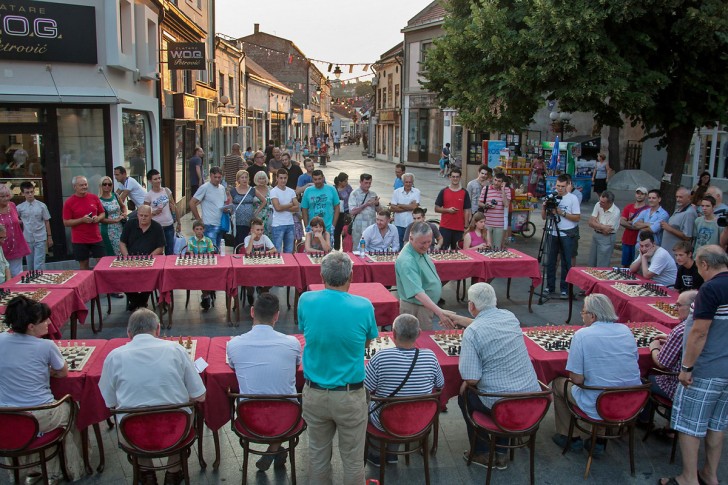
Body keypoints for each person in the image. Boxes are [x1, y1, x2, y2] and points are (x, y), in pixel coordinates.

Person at [99, 308, 206, 485]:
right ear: (158, 329)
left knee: (130, 416)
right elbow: (200, 396)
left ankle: (147, 473)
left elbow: (109, 402)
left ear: (128, 333)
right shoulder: (176, 350)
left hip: (133, 432)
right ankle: (173, 471)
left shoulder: (114, 357)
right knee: (184, 411)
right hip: (175, 430)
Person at [297, 251, 378, 485]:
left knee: (318, 457)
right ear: (351, 276)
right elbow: (366, 342)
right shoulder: (363, 306)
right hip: (349, 396)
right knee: (353, 461)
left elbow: (307, 331)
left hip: (315, 393)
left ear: (321, 275)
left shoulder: (306, 300)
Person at [449, 283, 540, 468]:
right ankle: (501, 451)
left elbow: (472, 378)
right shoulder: (510, 317)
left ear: (471, 305)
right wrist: (456, 318)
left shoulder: (473, 332)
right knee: (504, 396)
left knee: (465, 397)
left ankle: (481, 452)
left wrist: (466, 383)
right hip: (532, 400)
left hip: (498, 402)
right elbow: (486, 323)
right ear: (495, 301)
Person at [0, 295, 85, 483]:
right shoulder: (45, 346)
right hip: (41, 415)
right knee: (74, 408)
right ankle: (67, 467)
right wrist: (45, 371)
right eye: (43, 320)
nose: (49, 322)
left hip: (5, 416)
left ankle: (29, 469)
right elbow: (62, 372)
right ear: (30, 326)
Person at [664, 246, 728, 485]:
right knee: (716, 425)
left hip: (706, 369)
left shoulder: (710, 289)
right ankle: (710, 476)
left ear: (704, 265)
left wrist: (687, 368)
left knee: (690, 425)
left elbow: (699, 332)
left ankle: (688, 479)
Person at [551, 294, 641, 454]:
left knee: (559, 383)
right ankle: (599, 440)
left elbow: (577, 379)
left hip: (600, 403)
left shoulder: (582, 335)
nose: (582, 315)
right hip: (631, 401)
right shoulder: (626, 331)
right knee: (605, 385)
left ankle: (570, 437)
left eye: (583, 312)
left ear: (592, 316)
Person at [228, 292, 302, 471]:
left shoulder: (234, 344)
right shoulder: (292, 343)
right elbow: (297, 365)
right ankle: (274, 448)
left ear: (252, 312)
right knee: (283, 398)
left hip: (250, 419)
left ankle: (274, 450)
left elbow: (231, 365)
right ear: (277, 315)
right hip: (288, 418)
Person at [364, 314, 445, 466]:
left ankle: (376, 455)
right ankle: (392, 454)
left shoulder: (380, 357)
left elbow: (366, 389)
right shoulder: (430, 356)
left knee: (366, 406)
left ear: (393, 334)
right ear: (419, 333)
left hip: (385, 421)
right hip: (420, 421)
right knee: (400, 406)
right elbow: (440, 385)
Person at [638, 290, 698, 432]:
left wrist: (654, 348)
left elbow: (662, 363)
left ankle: (644, 420)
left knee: (645, 378)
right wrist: (670, 339)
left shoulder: (681, 330)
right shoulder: (705, 325)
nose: (675, 308)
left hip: (677, 385)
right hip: (697, 383)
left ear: (691, 307)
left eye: (678, 305)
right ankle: (670, 427)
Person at [395, 222, 454, 330]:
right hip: (416, 308)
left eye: (429, 241)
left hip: (424, 306)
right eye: (423, 243)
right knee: (420, 341)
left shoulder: (419, 249)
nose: (427, 246)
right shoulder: (407, 261)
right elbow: (417, 293)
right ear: (411, 238)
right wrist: (439, 312)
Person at [541, 174, 581, 299]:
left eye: (562, 186)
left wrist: (561, 213)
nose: (560, 189)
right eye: (558, 186)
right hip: (552, 232)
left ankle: (565, 288)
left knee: (566, 261)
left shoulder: (572, 198)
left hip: (567, 233)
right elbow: (544, 217)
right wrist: (544, 207)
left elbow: (577, 217)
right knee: (551, 261)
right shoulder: (551, 197)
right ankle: (549, 286)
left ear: (568, 185)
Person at [119, 205, 165, 311]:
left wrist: (148, 258)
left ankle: (139, 301)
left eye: (146, 216)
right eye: (141, 215)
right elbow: (122, 243)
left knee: (153, 277)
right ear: (137, 214)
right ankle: (137, 301)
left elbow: (160, 247)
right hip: (131, 260)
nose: (143, 218)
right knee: (120, 278)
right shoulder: (130, 224)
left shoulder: (157, 227)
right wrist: (127, 257)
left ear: (151, 216)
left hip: (150, 260)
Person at [62, 175, 106, 270]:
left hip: (95, 237)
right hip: (79, 239)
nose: (84, 187)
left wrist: (98, 218)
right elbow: (66, 222)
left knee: (102, 263)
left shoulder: (94, 198)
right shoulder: (69, 202)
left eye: (85, 184)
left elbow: (102, 213)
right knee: (84, 264)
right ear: (75, 187)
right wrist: (82, 220)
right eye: (81, 185)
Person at [144, 169, 180, 256]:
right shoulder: (149, 195)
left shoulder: (166, 191)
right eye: (155, 179)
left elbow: (174, 206)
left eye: (159, 178)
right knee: (157, 251)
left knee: (170, 250)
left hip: (169, 224)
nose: (158, 181)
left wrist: (179, 222)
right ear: (150, 181)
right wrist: (154, 212)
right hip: (156, 226)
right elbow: (145, 212)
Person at [189, 166, 227, 250]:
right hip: (209, 224)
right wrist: (198, 219)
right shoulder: (204, 187)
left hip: (220, 224)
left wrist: (226, 209)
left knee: (218, 250)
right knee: (211, 251)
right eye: (215, 177)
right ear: (210, 176)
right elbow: (192, 203)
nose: (217, 179)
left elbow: (223, 202)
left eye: (219, 177)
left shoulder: (222, 188)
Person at [17, 181, 52, 270]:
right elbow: (15, 221)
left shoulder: (42, 206)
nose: (30, 194)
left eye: (32, 192)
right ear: (22, 193)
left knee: (39, 263)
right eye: (27, 192)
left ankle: (39, 281)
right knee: (30, 263)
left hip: (40, 237)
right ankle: (32, 282)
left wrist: (49, 237)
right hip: (27, 238)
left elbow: (46, 221)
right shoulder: (20, 208)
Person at [435, 168, 471, 249]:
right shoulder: (443, 191)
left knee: (458, 253)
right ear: (449, 177)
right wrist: (447, 210)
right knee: (442, 252)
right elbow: (436, 208)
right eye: (453, 176)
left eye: (457, 177)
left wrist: (466, 227)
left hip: (459, 228)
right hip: (445, 227)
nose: (455, 179)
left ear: (460, 177)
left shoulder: (464, 192)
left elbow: (466, 211)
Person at [301, 170, 340, 245]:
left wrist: (333, 225)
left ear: (323, 178)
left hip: (327, 228)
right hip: (313, 229)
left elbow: (337, 207)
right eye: (315, 179)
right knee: (313, 252)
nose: (317, 181)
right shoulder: (308, 191)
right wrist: (307, 226)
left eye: (319, 179)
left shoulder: (331, 189)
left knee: (328, 251)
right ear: (312, 179)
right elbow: (304, 209)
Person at [0, 184, 29, 277]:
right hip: (1, 248)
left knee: (17, 275)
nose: (6, 198)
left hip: (16, 245)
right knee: (3, 277)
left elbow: (15, 220)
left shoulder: (12, 205)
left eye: (7, 195)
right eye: (2, 196)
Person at [660, 187, 697, 260]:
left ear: (689, 197)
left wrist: (669, 228)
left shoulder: (689, 213)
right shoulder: (679, 209)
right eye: (677, 197)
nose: (678, 199)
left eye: (680, 197)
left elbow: (687, 237)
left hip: (676, 256)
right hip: (668, 253)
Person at [587, 190, 621, 267]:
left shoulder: (616, 212)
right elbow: (590, 222)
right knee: (591, 263)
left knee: (602, 264)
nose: (600, 203)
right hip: (596, 235)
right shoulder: (598, 204)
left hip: (607, 238)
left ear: (609, 203)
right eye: (600, 200)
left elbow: (606, 231)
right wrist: (602, 226)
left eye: (603, 202)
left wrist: (596, 223)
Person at [187, 220, 216, 310]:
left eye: (201, 229)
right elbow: (191, 254)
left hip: (206, 264)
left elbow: (210, 254)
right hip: (195, 265)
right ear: (193, 230)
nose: (199, 231)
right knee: (200, 276)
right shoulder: (191, 240)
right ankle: (206, 295)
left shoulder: (208, 240)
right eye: (197, 229)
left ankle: (205, 295)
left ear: (204, 230)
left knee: (206, 276)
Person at [229, 170, 262, 247]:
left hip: (249, 221)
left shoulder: (252, 190)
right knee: (238, 240)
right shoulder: (233, 191)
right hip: (237, 221)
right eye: (242, 177)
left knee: (248, 240)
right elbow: (230, 205)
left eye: (246, 177)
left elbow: (264, 201)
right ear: (238, 179)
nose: (244, 179)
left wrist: (256, 212)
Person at [270, 169, 299, 253]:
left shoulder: (291, 191)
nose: (283, 180)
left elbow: (297, 207)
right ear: (277, 178)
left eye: (285, 178)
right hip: (278, 224)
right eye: (281, 178)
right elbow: (277, 208)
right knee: (277, 251)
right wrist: (290, 205)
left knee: (289, 251)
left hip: (290, 223)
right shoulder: (273, 191)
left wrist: (283, 207)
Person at [619, 187, 649, 267]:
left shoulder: (647, 209)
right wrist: (635, 225)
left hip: (639, 241)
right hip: (627, 239)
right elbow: (621, 221)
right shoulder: (629, 207)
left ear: (646, 196)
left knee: (636, 264)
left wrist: (629, 223)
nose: (639, 196)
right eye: (638, 193)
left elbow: (646, 224)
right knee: (625, 264)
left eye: (642, 194)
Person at [98, 176, 126, 258]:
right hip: (108, 229)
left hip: (120, 227)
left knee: (123, 248)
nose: (107, 186)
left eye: (109, 184)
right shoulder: (98, 200)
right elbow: (100, 219)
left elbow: (123, 206)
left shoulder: (115, 196)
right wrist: (115, 220)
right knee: (112, 253)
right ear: (101, 186)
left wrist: (124, 213)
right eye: (104, 184)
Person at [480, 172, 510, 249]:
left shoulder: (507, 190)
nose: (496, 183)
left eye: (499, 181)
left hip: (499, 224)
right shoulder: (486, 189)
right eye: (495, 180)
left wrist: (503, 190)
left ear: (503, 182)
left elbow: (506, 204)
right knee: (487, 247)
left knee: (497, 248)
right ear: (493, 179)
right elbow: (479, 203)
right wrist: (486, 205)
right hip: (487, 222)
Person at [348, 173, 379, 246]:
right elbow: (352, 211)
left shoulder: (373, 194)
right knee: (358, 248)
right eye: (366, 183)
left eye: (369, 183)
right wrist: (366, 204)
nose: (368, 185)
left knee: (371, 248)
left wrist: (377, 204)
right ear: (361, 182)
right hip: (359, 228)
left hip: (371, 227)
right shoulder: (354, 194)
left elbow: (379, 211)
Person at [390, 173, 420, 248]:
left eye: (410, 182)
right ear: (403, 182)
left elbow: (415, 207)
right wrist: (409, 206)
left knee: (411, 244)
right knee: (399, 244)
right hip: (399, 223)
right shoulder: (396, 192)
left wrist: (400, 205)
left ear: (412, 182)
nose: (408, 184)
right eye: (406, 182)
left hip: (411, 223)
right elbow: (393, 208)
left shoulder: (417, 192)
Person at [333, 172, 353, 250]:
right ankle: (336, 248)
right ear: (340, 182)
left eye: (347, 181)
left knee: (346, 230)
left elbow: (352, 197)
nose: (346, 183)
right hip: (337, 212)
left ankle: (345, 248)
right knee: (337, 232)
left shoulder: (348, 188)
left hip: (346, 212)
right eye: (345, 181)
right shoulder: (334, 188)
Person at [252, 170, 273, 236]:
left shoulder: (271, 189)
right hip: (257, 215)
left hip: (269, 215)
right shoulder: (252, 190)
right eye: (260, 178)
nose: (261, 180)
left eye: (263, 178)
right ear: (256, 179)